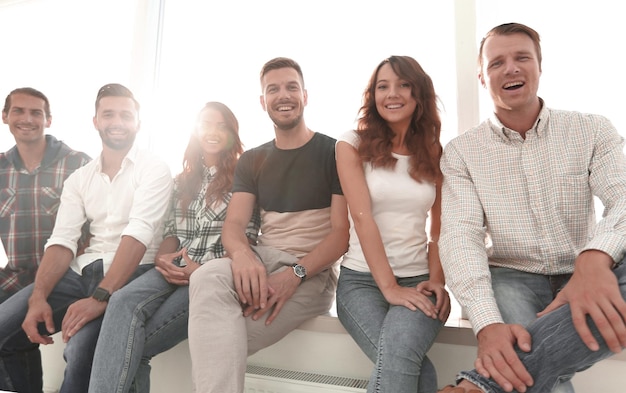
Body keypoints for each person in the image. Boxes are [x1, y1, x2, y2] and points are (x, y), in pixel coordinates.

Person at [437, 22, 626, 393]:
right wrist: (488, 324)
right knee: (523, 366)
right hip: (512, 275)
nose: (511, 68)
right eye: (497, 63)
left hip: (583, 266)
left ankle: (476, 388)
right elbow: (460, 236)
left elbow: (624, 197)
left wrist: (593, 259)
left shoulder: (592, 129)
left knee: (518, 368)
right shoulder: (461, 152)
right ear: (482, 77)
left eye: (522, 57)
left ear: (539, 66)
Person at [187, 57, 350, 393]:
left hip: (311, 273)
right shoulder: (252, 159)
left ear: (306, 95)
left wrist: (296, 275)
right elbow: (234, 225)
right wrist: (244, 257)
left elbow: (340, 236)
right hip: (264, 260)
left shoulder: (334, 152)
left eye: (291, 87)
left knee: (220, 342)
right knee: (206, 276)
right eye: (273, 89)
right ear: (263, 102)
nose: (283, 95)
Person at [0, 83, 173, 393]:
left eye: (125, 115)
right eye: (108, 114)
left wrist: (100, 297)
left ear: (138, 123)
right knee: (4, 324)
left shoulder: (153, 168)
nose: (117, 122)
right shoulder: (80, 178)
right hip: (80, 272)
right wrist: (39, 295)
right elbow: (62, 239)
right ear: (96, 121)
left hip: (129, 272)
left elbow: (138, 233)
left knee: (79, 352)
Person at [88, 101, 261, 393]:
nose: (213, 132)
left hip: (212, 276)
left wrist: (200, 270)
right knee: (120, 301)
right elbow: (170, 231)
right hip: (176, 266)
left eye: (222, 126)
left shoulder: (246, 179)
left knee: (133, 346)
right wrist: (163, 258)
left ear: (232, 133)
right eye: (206, 124)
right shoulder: (181, 181)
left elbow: (249, 238)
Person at [335, 55, 450, 393]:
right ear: (373, 96)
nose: (392, 93)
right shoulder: (351, 144)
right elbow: (361, 216)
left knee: (403, 359)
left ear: (418, 95)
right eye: (382, 86)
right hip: (361, 283)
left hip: (418, 281)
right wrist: (389, 288)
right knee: (410, 365)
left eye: (403, 85)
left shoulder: (434, 151)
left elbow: (439, 229)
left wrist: (437, 281)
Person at [0, 87, 90, 392]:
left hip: (64, 280)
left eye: (36, 112)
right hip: (14, 280)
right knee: (10, 342)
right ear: (5, 117)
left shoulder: (77, 164)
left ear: (48, 120)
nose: (27, 119)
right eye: (18, 111)